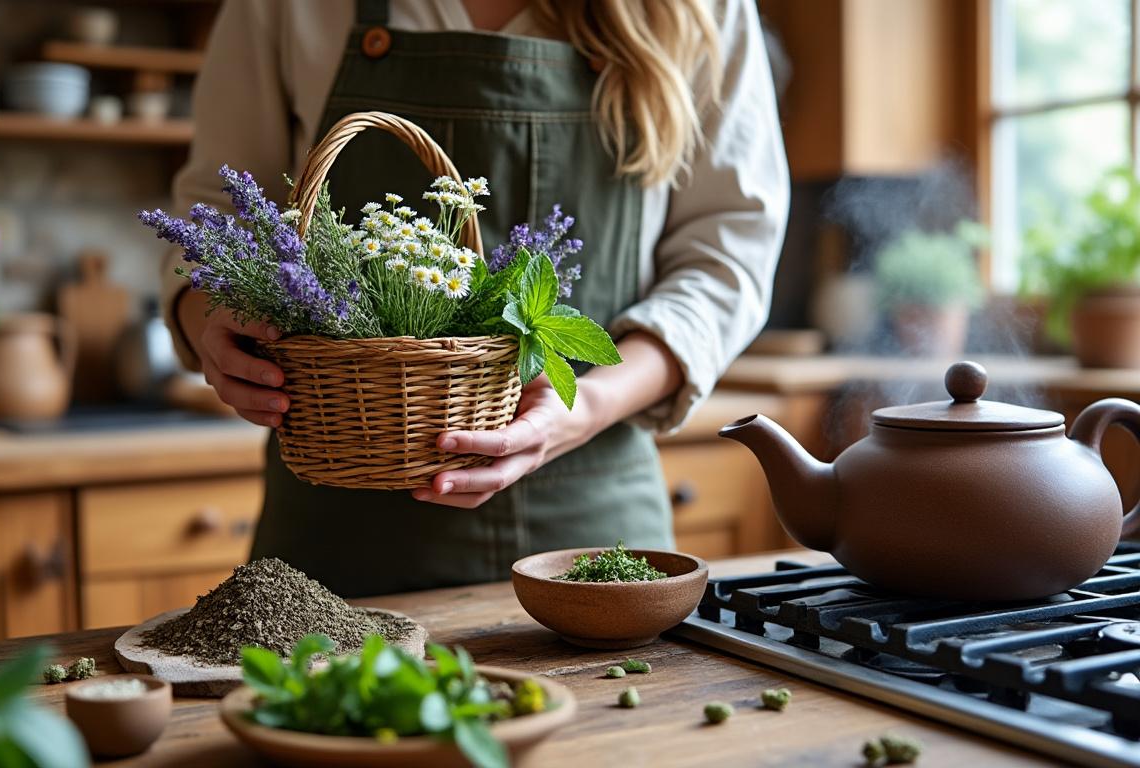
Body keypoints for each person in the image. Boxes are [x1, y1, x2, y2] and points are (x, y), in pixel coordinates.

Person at [160, 0, 788, 597]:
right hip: (338, 540)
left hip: (592, 532)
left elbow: (728, 254)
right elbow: (214, 212)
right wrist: (212, 314)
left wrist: (587, 403)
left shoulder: (698, 10)